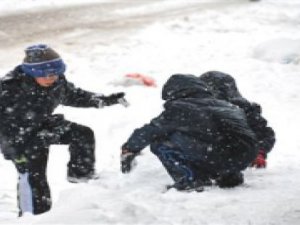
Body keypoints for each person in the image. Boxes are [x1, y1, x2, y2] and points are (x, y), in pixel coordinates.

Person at [0, 44, 128, 216]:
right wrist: (13, 146)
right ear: (32, 73)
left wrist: (104, 100)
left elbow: (75, 95)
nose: (50, 78)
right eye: (44, 74)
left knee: (82, 134)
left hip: (42, 126)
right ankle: (32, 216)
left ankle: (81, 176)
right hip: (18, 138)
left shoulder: (57, 82)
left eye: (54, 73)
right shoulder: (10, 88)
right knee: (33, 177)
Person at [120, 74, 258, 192]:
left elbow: (151, 130)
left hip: (218, 154)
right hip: (245, 155)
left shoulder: (181, 107)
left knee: (160, 141)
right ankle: (228, 176)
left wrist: (129, 148)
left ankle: (190, 180)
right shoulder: (226, 105)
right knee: (211, 139)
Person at [198, 71, 276, 168]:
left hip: (232, 157)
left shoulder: (242, 109)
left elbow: (263, 133)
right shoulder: (194, 108)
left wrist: (259, 152)